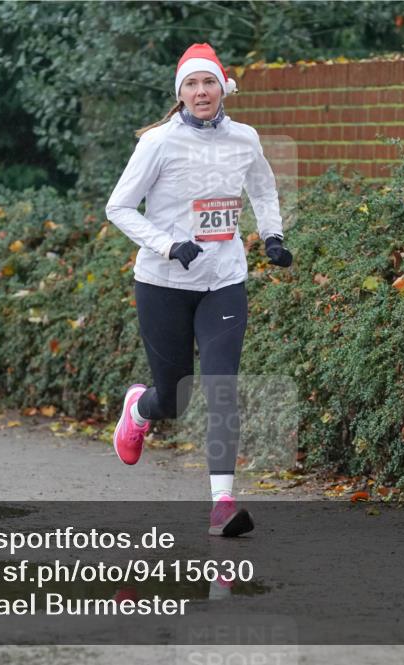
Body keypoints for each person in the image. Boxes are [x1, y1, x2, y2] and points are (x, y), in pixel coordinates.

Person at [105, 43, 293, 537]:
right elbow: (118, 207)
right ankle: (139, 408)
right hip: (163, 283)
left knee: (222, 388)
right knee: (174, 399)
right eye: (191, 84)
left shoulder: (245, 139)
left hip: (223, 281)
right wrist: (168, 245)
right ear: (181, 94)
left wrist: (272, 235)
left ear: (222, 86)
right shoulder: (158, 143)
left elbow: (263, 189)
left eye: (208, 82)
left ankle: (222, 504)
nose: (201, 91)